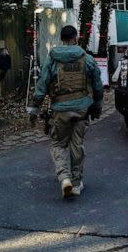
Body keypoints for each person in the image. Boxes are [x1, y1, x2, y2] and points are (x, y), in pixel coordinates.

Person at [27, 25, 103, 198]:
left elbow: (42, 85)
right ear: (76, 38)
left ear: (61, 39)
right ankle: (76, 183)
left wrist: (34, 110)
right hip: (82, 109)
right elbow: (98, 84)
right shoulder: (86, 58)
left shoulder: (52, 59)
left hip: (60, 110)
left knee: (58, 143)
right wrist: (97, 106)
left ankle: (64, 178)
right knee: (77, 145)